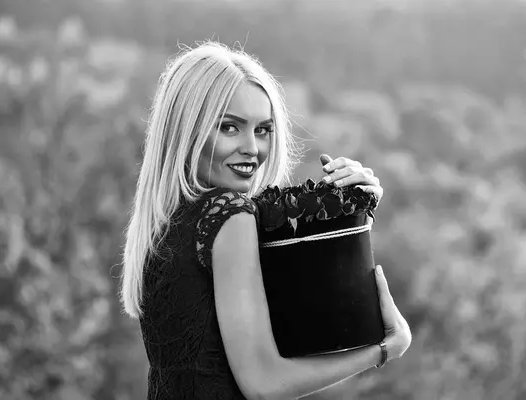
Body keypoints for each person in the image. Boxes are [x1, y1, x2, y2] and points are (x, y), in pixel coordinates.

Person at [121, 41, 411, 400]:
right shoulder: (227, 215)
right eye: (229, 127)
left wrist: (354, 208)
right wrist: (384, 349)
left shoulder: (168, 220)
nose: (253, 148)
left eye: (263, 129)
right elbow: (263, 383)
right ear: (187, 129)